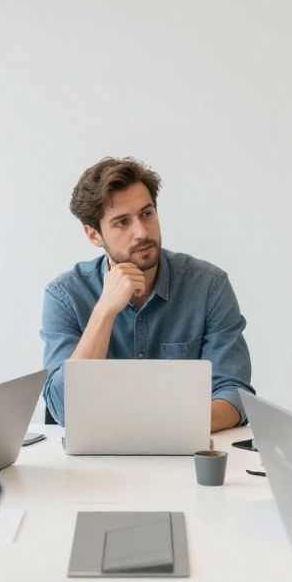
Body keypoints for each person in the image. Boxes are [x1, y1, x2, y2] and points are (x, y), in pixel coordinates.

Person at [40, 156, 253, 431]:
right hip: (96, 462)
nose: (141, 232)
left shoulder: (209, 286)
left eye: (146, 213)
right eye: (121, 222)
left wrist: (162, 428)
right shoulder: (65, 295)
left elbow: (234, 392)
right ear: (94, 235)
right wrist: (104, 312)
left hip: (186, 451)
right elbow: (62, 408)